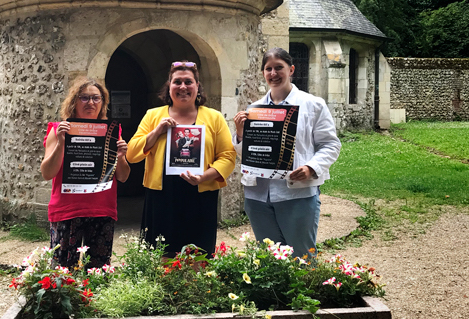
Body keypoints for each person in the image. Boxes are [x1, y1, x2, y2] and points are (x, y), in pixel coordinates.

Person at [233, 48, 341, 258]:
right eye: (268, 69)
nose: (274, 73)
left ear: (291, 69)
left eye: (279, 67)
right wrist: (239, 134)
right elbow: (245, 154)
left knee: (301, 256)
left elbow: (330, 145)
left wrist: (312, 168)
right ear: (263, 73)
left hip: (296, 193)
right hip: (258, 196)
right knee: (269, 258)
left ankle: (306, 292)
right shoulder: (254, 109)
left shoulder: (313, 105)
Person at [127, 61, 236, 257]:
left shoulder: (214, 117)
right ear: (169, 86)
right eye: (177, 82)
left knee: (198, 257)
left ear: (197, 86)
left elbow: (227, 156)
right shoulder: (153, 116)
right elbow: (132, 154)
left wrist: (204, 176)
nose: (183, 87)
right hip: (161, 198)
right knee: (160, 256)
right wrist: (157, 131)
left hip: (200, 196)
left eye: (188, 82)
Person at [41, 77, 130, 269]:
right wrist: (61, 143)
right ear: (74, 101)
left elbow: (122, 176)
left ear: (103, 103)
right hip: (67, 211)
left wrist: (121, 156)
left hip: (101, 209)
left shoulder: (111, 132)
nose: (91, 103)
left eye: (96, 98)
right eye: (84, 98)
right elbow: (47, 173)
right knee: (62, 274)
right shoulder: (58, 130)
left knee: (98, 274)